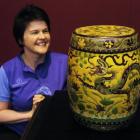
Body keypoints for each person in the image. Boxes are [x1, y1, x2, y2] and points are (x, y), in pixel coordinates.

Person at [0, 4, 68, 139]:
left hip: (57, 131)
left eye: (45, 31)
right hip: (21, 134)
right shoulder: (6, 70)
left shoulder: (65, 62)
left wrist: (50, 103)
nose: (42, 37)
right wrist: (31, 114)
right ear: (20, 39)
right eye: (35, 32)